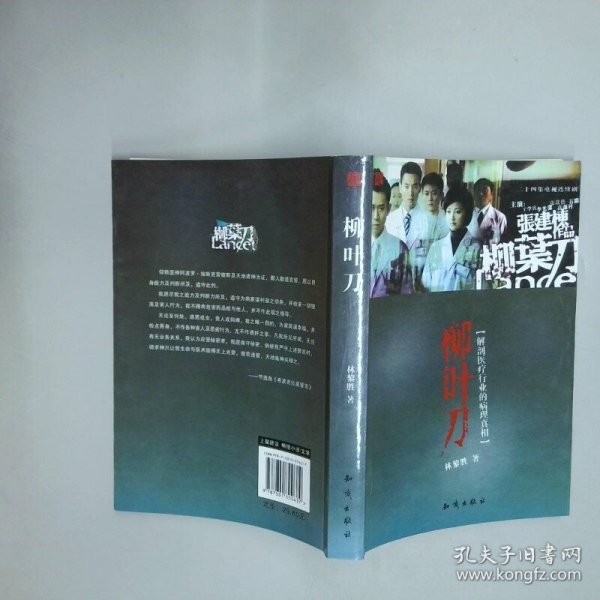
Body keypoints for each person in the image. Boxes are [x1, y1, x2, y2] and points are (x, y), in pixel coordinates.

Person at [422, 186, 481, 292]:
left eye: (457, 212)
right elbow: (426, 285)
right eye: (448, 211)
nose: (452, 217)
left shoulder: (477, 248)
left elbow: (481, 287)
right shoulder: (436, 247)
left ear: (467, 213)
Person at [385, 161, 429, 290]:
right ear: (400, 187)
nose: (410, 192)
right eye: (406, 186)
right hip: (393, 286)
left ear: (420, 188)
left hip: (420, 287)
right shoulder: (389, 220)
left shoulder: (428, 220)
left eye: (415, 186)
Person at [371, 169, 411, 298]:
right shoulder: (352, 246)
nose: (376, 216)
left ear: (388, 209)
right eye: (371, 208)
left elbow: (406, 294)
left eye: (381, 208)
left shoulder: (400, 249)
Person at [468, 178, 507, 243]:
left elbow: (503, 242)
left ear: (492, 194)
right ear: (473, 194)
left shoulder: (500, 217)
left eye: (485, 190)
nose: (481, 194)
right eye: (478, 190)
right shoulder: (467, 214)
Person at [421, 172, 449, 241]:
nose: (430, 198)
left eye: (434, 193)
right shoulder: (417, 219)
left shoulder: (448, 219)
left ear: (441, 195)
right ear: (422, 194)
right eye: (426, 194)